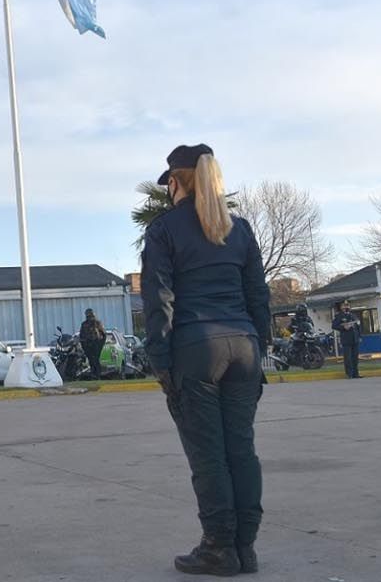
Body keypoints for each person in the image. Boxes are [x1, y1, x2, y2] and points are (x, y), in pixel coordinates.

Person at [141, 144, 270, 576]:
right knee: (242, 451)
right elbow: (258, 296)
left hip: (197, 349)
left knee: (208, 455)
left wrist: (160, 360)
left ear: (175, 182)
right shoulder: (241, 230)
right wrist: (260, 345)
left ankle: (218, 547)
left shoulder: (164, 230)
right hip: (244, 347)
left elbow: (159, 299)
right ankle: (244, 548)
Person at [333, 300, 363, 379]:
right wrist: (343, 327)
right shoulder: (339, 316)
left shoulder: (353, 315)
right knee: (348, 358)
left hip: (355, 339)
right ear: (341, 307)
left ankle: (356, 374)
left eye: (347, 305)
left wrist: (359, 336)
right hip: (346, 340)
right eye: (344, 305)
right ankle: (349, 374)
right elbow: (334, 326)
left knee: (355, 358)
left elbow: (358, 326)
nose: (346, 307)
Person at [79, 309, 108, 380]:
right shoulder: (84, 324)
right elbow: (81, 336)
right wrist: (84, 345)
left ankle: (97, 374)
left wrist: (101, 344)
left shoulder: (97, 323)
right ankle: (93, 374)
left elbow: (104, 334)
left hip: (96, 344)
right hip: (87, 345)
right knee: (91, 360)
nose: (90, 317)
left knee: (96, 359)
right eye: (88, 316)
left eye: (91, 315)